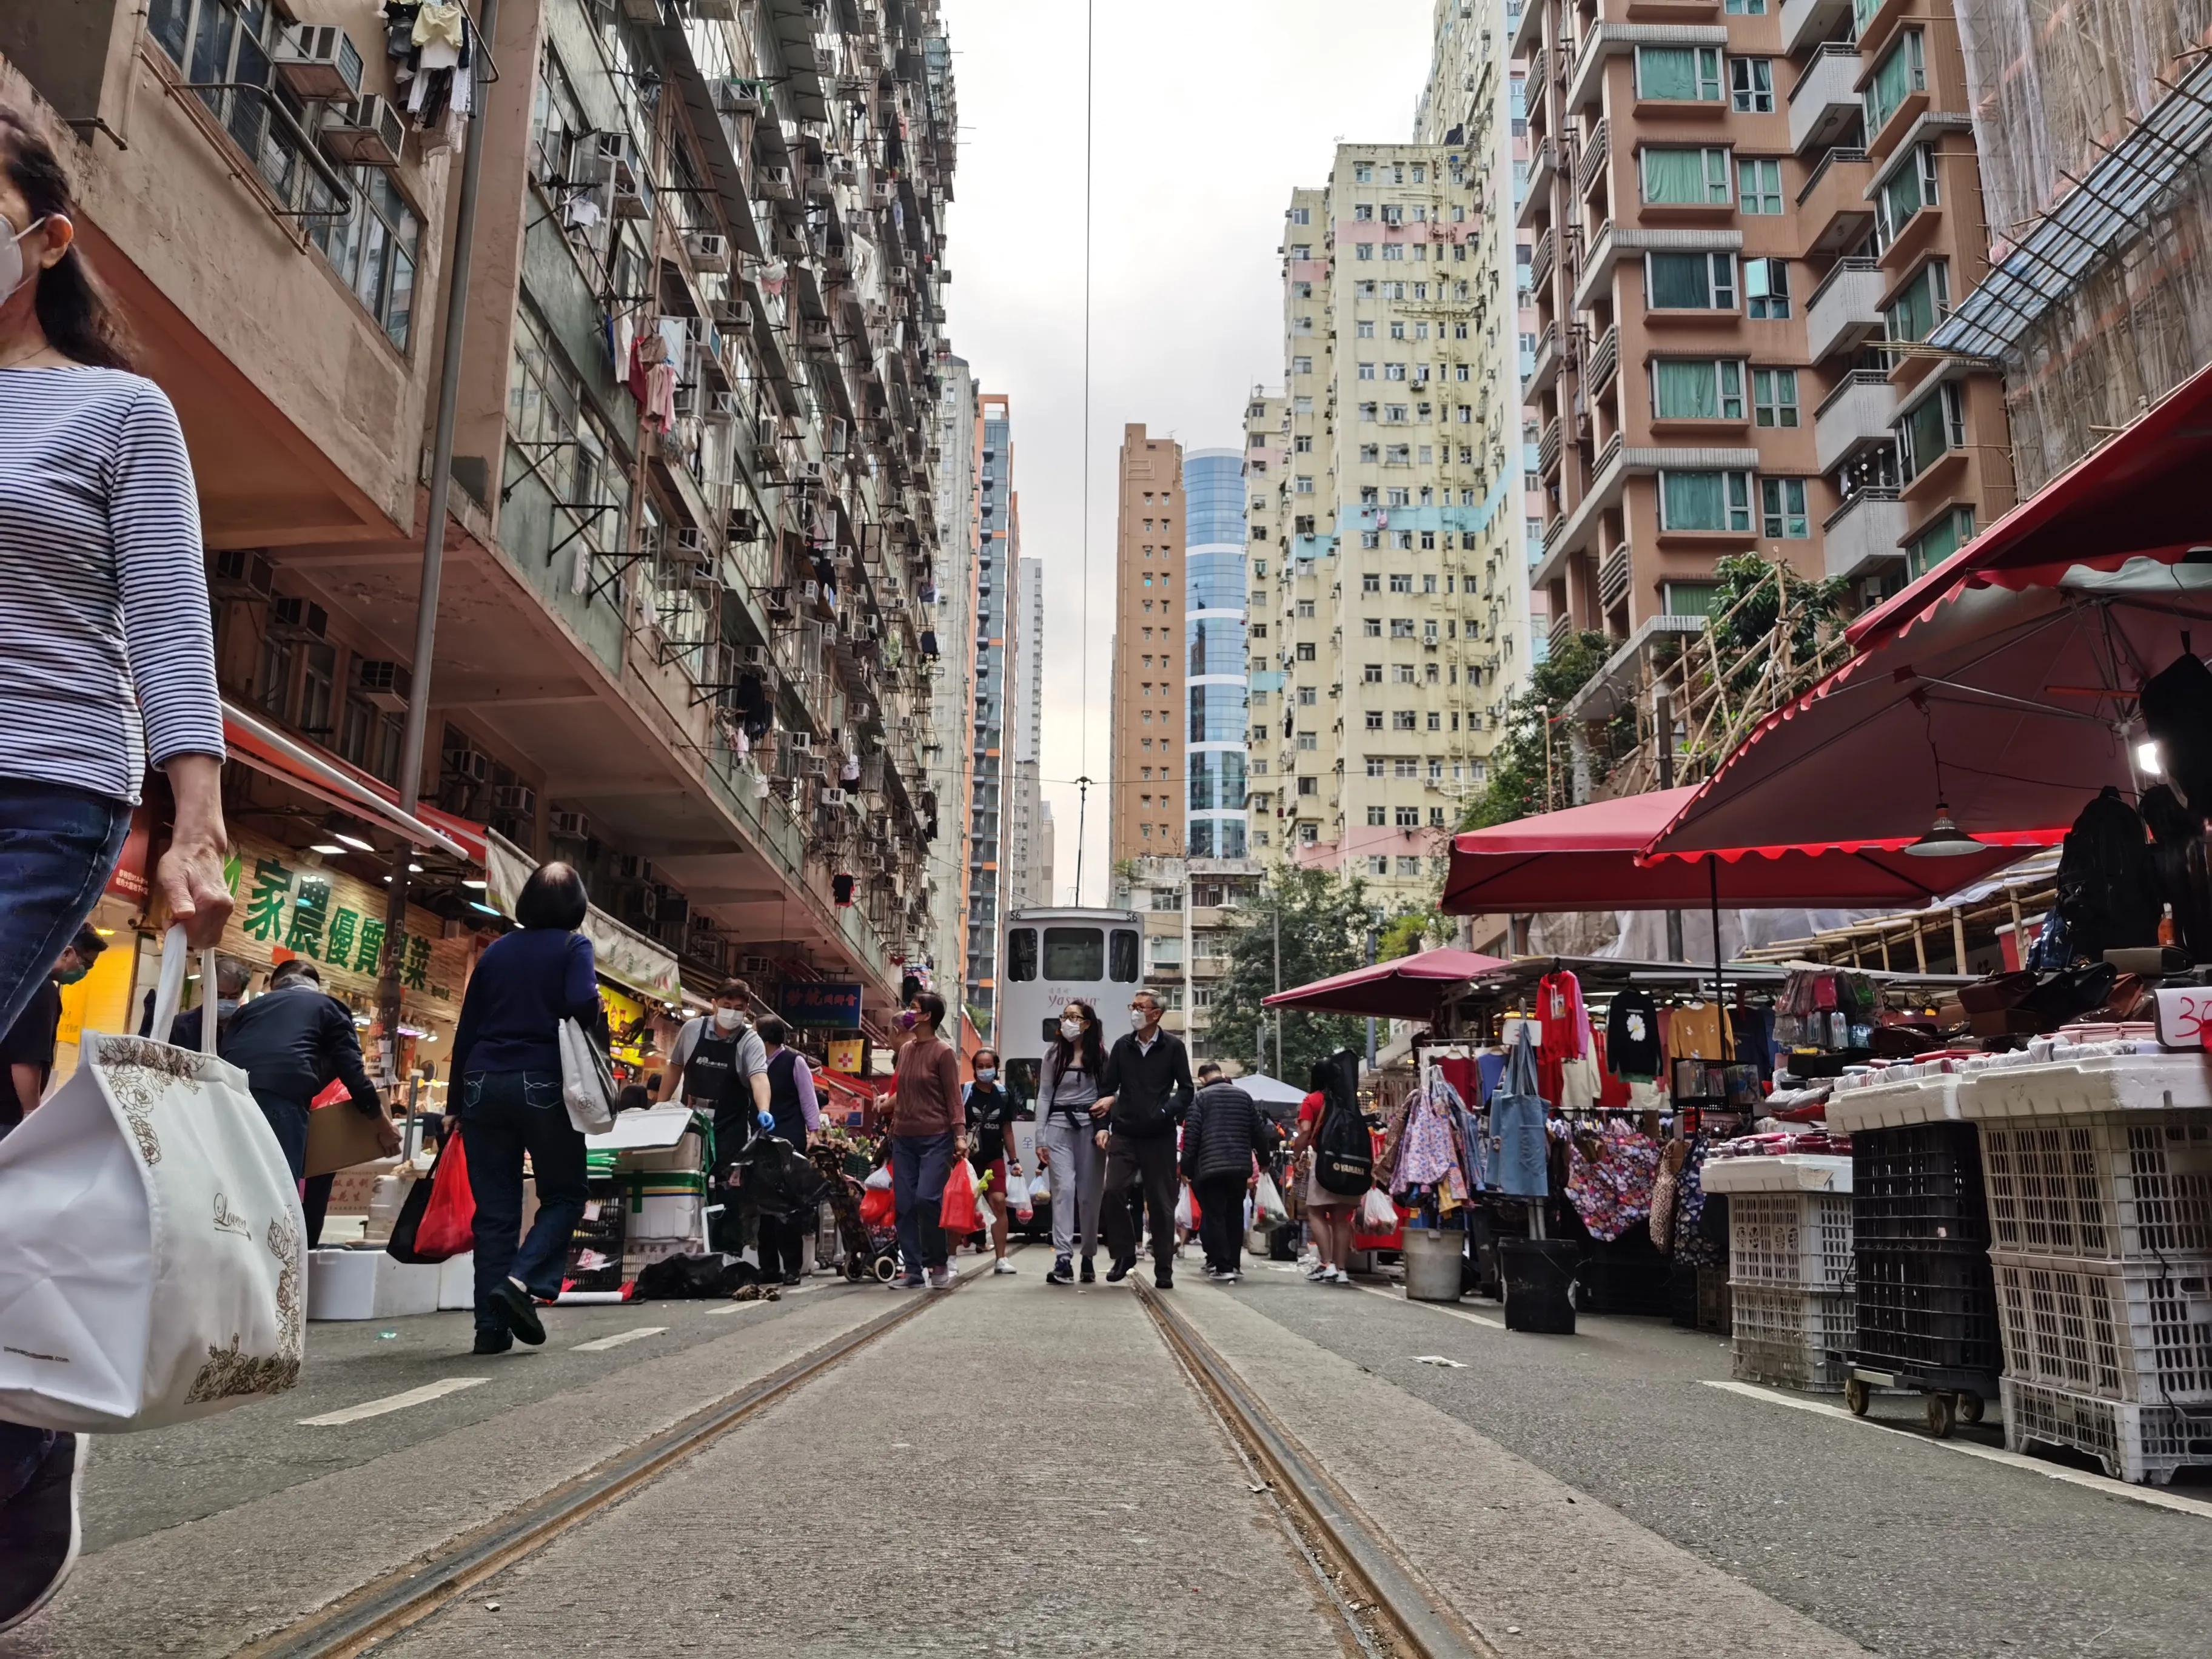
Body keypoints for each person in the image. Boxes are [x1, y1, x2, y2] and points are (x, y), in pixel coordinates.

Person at [0, 109, 235, 1637]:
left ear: (45, 239)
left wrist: (198, 824)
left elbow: (166, 621)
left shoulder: (115, 416)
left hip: (44, 790)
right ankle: (23, 1459)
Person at [449, 863, 604, 1355]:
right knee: (564, 1195)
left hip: (480, 1084)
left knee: (494, 1212)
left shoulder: (496, 952)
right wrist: (592, 1011)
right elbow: (581, 1000)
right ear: (576, 908)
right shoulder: (572, 946)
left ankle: (488, 1331)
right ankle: (517, 1284)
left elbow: (467, 1025)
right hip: (541, 1081)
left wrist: (454, 1103)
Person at [207, 958, 397, 1184]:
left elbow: (222, 1056)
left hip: (230, 1100)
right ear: (315, 986)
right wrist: (383, 1127)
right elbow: (353, 1074)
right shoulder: (330, 1007)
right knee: (278, 1193)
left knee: (233, 1189)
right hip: (282, 1103)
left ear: (276, 985)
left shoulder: (248, 1010)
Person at [1095, 990, 1194, 1290]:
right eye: (1133, 1006)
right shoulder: (1122, 1047)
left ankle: (1164, 1268)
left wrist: (1166, 1112)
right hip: (1124, 1133)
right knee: (1113, 1192)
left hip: (1159, 1136)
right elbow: (1108, 1090)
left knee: (1162, 1204)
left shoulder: (1173, 1047)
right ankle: (1125, 1254)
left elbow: (1187, 1090)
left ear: (1156, 1014)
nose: (1135, 1012)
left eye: (1140, 1007)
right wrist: (1103, 1126)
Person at [885, 988, 965, 1289]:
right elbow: (902, 1095)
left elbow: (954, 1097)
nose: (908, 1012)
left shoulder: (943, 1052)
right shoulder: (905, 1051)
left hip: (936, 1137)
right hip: (904, 1138)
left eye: (913, 1008)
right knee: (904, 1203)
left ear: (927, 1016)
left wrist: (959, 1135)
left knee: (927, 1199)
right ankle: (914, 1271)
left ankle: (939, 1262)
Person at [0, 927, 105, 1140]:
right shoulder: (41, 989)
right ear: (67, 953)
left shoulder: (13, 977)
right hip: (5, 1114)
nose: (85, 973)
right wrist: (31, 1113)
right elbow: (26, 1059)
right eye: (86, 965)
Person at [1181, 1062, 1278, 1282]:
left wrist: (1187, 1168)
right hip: (1239, 1168)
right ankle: (1234, 1264)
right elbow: (1258, 1133)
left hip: (1211, 1167)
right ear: (1222, 1075)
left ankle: (1222, 1265)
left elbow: (1192, 1135)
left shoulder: (1201, 1098)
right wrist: (1264, 1160)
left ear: (1203, 1079)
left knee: (1215, 1215)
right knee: (1234, 1215)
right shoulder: (1243, 1096)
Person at [658, 977, 771, 1156]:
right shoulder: (691, 1030)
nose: (732, 1012)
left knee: (725, 1180)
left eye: (738, 1008)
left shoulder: (751, 1041)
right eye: (726, 1006)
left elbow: (759, 1077)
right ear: (714, 1005)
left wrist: (764, 1109)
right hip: (689, 1122)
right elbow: (675, 1067)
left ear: (746, 1009)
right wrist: (660, 1104)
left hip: (731, 1127)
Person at [1037, 1001, 1107, 1286]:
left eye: (1074, 1017)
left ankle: (1088, 1255)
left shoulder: (1101, 1055)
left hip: (1090, 1129)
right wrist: (1041, 1137)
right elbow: (1043, 1095)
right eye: (1064, 1016)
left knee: (1089, 1196)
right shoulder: (1053, 1054)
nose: (1067, 1021)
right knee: (1063, 1191)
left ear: (1087, 1023)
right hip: (1058, 1128)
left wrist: (1106, 1129)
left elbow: (1107, 1093)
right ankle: (1063, 1259)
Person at [748, 1015, 821, 1285]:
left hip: (788, 1143)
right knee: (763, 1205)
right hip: (760, 1142)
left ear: (765, 1038)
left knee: (787, 1207)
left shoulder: (793, 1061)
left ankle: (792, 1266)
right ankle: (768, 1267)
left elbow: (808, 1098)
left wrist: (813, 1131)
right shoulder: (753, 1064)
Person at [1287, 1061, 1356, 1285]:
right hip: (1349, 1164)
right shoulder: (1348, 1099)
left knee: (1316, 1212)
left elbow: (1306, 1131)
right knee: (1341, 1218)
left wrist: (1297, 1155)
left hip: (1323, 1161)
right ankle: (1343, 1269)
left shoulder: (1313, 1100)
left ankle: (1328, 1265)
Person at [962, 1048, 1021, 1275]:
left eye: (988, 1065)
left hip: (994, 1158)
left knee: (998, 1202)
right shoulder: (965, 1092)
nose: (984, 1070)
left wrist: (1013, 1160)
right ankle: (949, 1260)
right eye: (980, 1066)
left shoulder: (1004, 1095)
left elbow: (1007, 1130)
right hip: (968, 1160)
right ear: (975, 1069)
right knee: (963, 1205)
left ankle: (1001, 1258)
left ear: (996, 1067)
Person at [164, 954, 249, 1052]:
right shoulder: (181, 1026)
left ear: (241, 994)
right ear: (204, 990)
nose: (226, 1001)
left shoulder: (244, 1029)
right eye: (220, 996)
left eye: (233, 997)